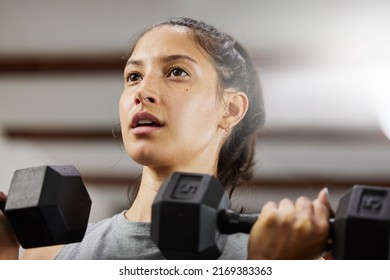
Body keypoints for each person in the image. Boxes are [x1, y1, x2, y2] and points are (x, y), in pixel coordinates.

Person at [0, 17, 331, 260]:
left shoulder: (285, 254)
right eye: (133, 76)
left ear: (230, 108)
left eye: (176, 72)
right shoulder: (50, 254)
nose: (142, 92)